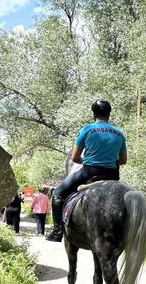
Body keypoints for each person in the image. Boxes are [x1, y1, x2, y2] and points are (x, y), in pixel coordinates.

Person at [46, 99, 127, 242]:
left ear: (94, 113)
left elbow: (75, 157)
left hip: (89, 172)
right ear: (109, 114)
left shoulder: (87, 129)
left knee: (58, 192)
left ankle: (58, 230)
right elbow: (123, 161)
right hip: (113, 176)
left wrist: (87, 161)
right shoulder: (119, 134)